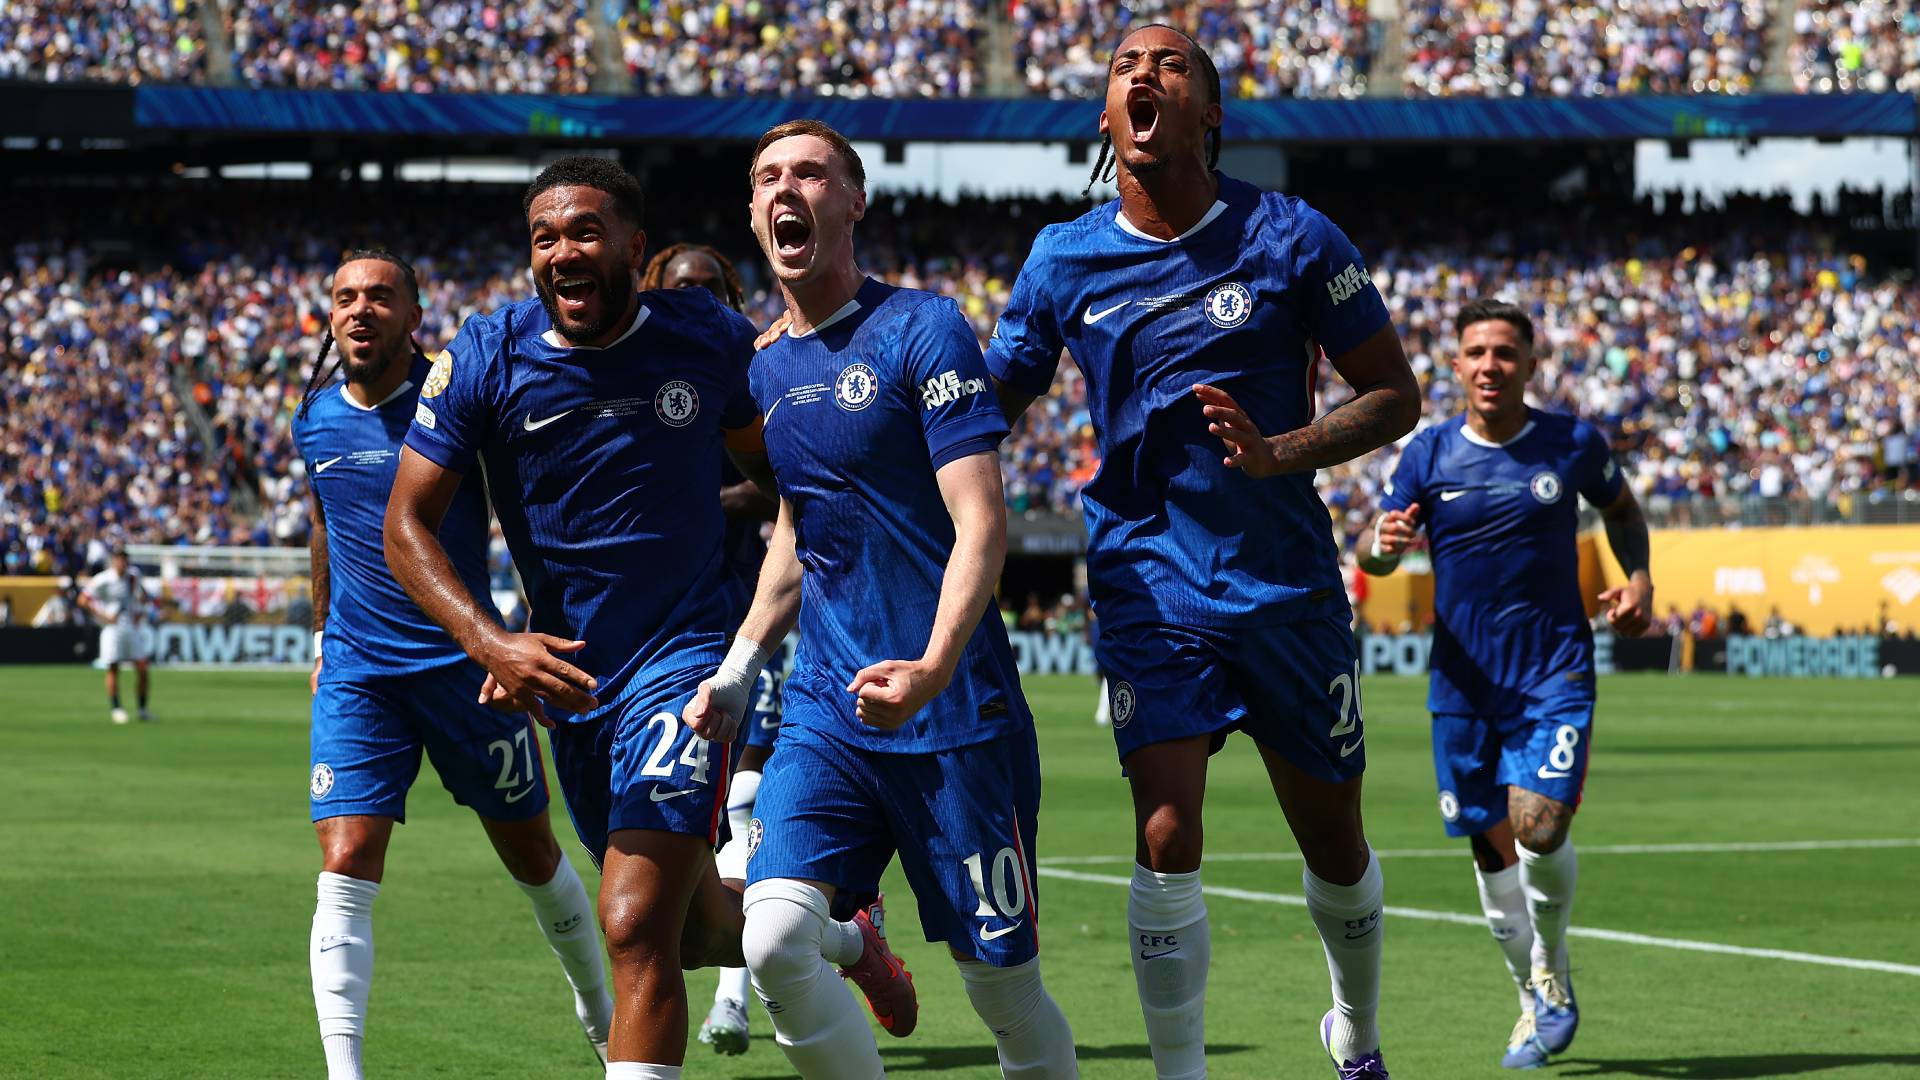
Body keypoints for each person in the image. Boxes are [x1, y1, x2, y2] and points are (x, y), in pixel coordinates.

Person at [385, 157, 887, 1080]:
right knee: (692, 932)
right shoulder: (487, 355)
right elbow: (405, 524)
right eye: (544, 237)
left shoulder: (705, 338)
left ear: (635, 247)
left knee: (630, 920)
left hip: (686, 664)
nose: (563, 252)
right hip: (572, 685)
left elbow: (784, 475)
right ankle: (846, 934)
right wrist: (488, 638)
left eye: (585, 232)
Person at [984, 25, 1419, 1080]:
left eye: (1171, 65)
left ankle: (1354, 1032)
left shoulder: (1296, 236)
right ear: (1104, 119)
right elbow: (987, 399)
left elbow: (1395, 396)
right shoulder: (1062, 258)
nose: (1144, 74)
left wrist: (1281, 453)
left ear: (1210, 115)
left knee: (1333, 842)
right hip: (1145, 577)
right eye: (1126, 67)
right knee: (1168, 833)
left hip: (1284, 585)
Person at [683, 118, 1077, 1079]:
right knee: (771, 941)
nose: (788, 189)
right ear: (751, 209)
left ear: (853, 200)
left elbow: (980, 521)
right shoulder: (764, 367)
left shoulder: (922, 328)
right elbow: (797, 533)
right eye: (768, 176)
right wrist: (740, 666)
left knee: (1004, 993)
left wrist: (934, 668)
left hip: (955, 717)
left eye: (812, 173)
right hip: (828, 710)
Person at [293, 249, 613, 1079]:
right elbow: (326, 527)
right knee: (346, 856)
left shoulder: (458, 405)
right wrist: (325, 637)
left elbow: (527, 511)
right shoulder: (314, 417)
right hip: (361, 674)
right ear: (331, 317)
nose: (360, 310)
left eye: (379, 297)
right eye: (345, 299)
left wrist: (524, 633)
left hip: (471, 672)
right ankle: (345, 1070)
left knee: (534, 858)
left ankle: (598, 1009)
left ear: (413, 316)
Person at [1359, 298, 1654, 1069]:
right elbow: (1378, 554)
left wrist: (1641, 581)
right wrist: (1381, 547)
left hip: (1553, 671)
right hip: (1461, 685)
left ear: (1530, 363)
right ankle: (1529, 997)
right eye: (1476, 353)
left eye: (1505, 352)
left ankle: (1550, 969)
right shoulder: (1426, 456)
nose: (1491, 365)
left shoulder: (1571, 443)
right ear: (1456, 366)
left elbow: (1623, 510)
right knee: (1489, 849)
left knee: (1540, 827)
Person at [641, 241, 791, 1056]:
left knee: (740, 800)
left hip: (739, 627)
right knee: (660, 841)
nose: (695, 297)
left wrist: (709, 496)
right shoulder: (636, 365)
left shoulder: (753, 367)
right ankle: (834, 937)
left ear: (731, 294)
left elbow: (782, 481)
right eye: (678, 287)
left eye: (709, 286)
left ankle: (734, 1000)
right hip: (647, 639)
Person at [79, 547, 155, 724]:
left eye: (125, 559)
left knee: (143, 668)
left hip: (131, 627)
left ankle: (143, 709)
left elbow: (142, 596)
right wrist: (102, 616)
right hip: (112, 629)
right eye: (119, 559)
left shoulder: (134, 575)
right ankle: (116, 708)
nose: (122, 563)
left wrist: (141, 611)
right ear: (113, 561)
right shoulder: (103, 579)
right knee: (113, 667)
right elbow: (83, 600)